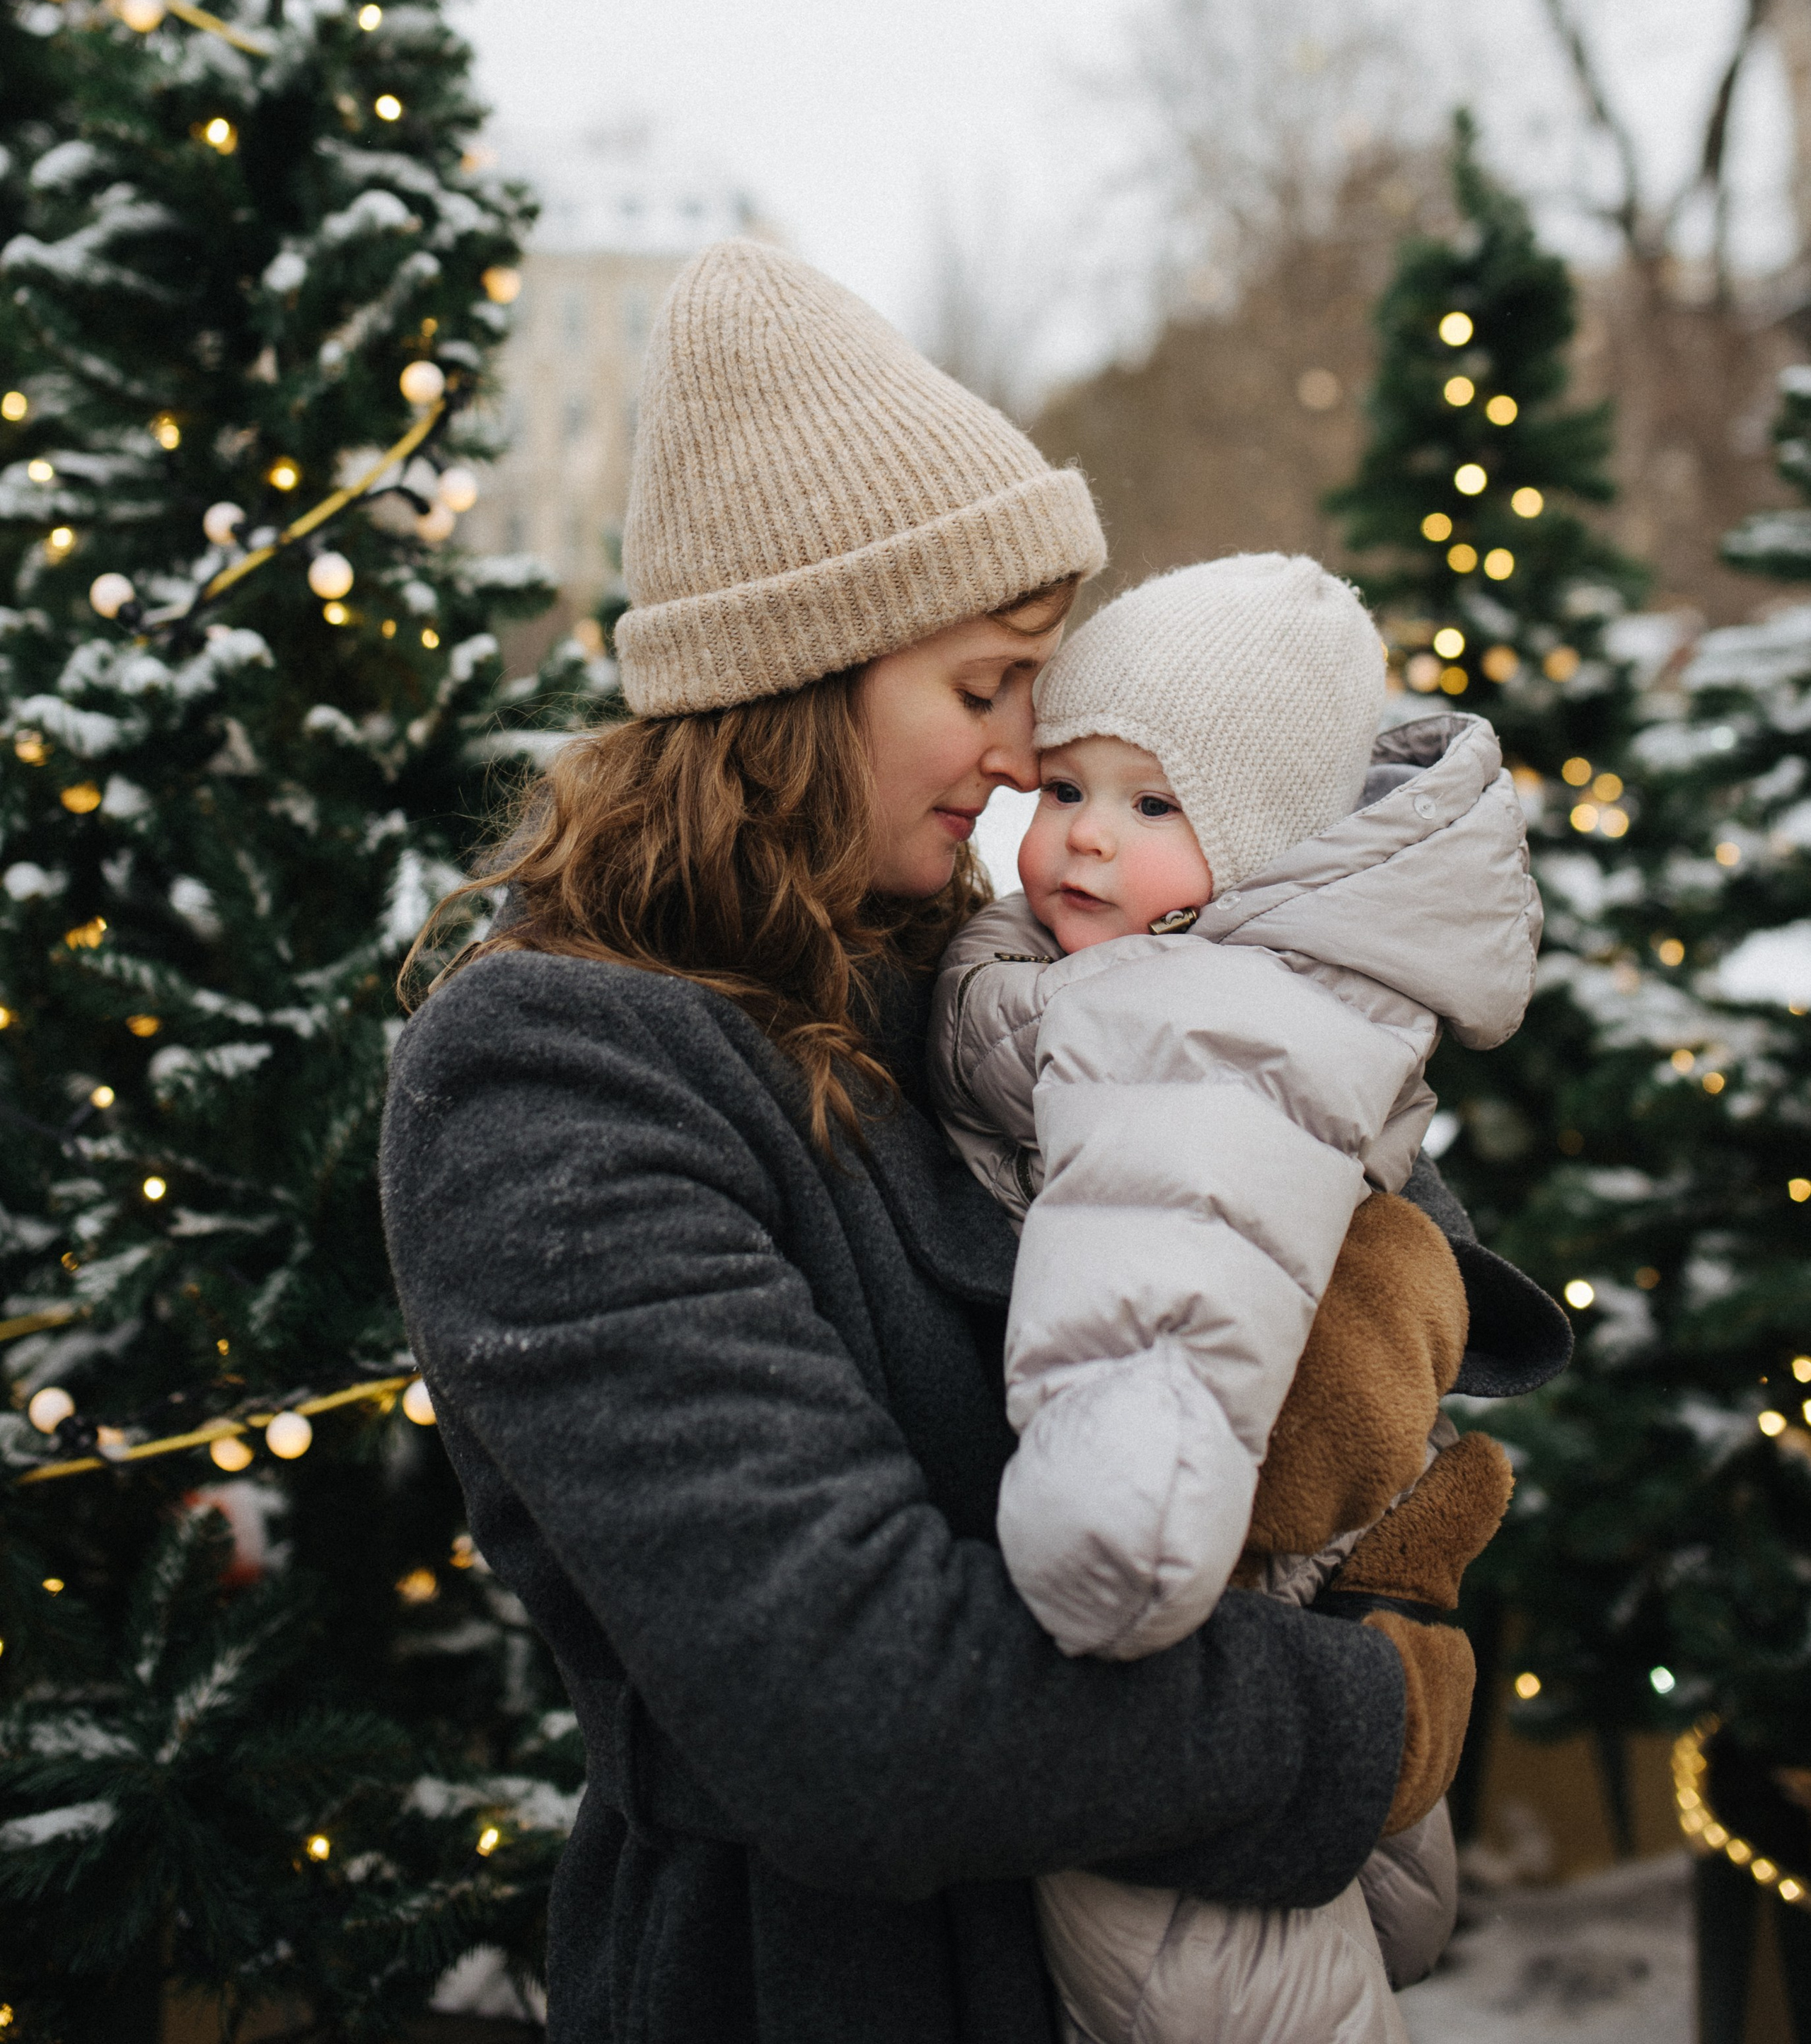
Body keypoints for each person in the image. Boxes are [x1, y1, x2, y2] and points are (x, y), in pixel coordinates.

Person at [381, 242, 1555, 2044]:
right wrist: (1362, 1720)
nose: (1023, 762)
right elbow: (855, 1710)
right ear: (803, 676)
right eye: (986, 685)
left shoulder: (971, 974)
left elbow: (1328, 1265)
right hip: (823, 1991)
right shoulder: (554, 1073)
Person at [928, 554, 1570, 2043]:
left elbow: (1169, 1263)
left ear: (1268, 855)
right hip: (1254, 1630)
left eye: (1155, 805)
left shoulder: (1199, 1020)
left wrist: (1120, 1524)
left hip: (1177, 1597)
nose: (1088, 836)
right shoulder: (1137, 976)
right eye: (1067, 788)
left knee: (1197, 1984)